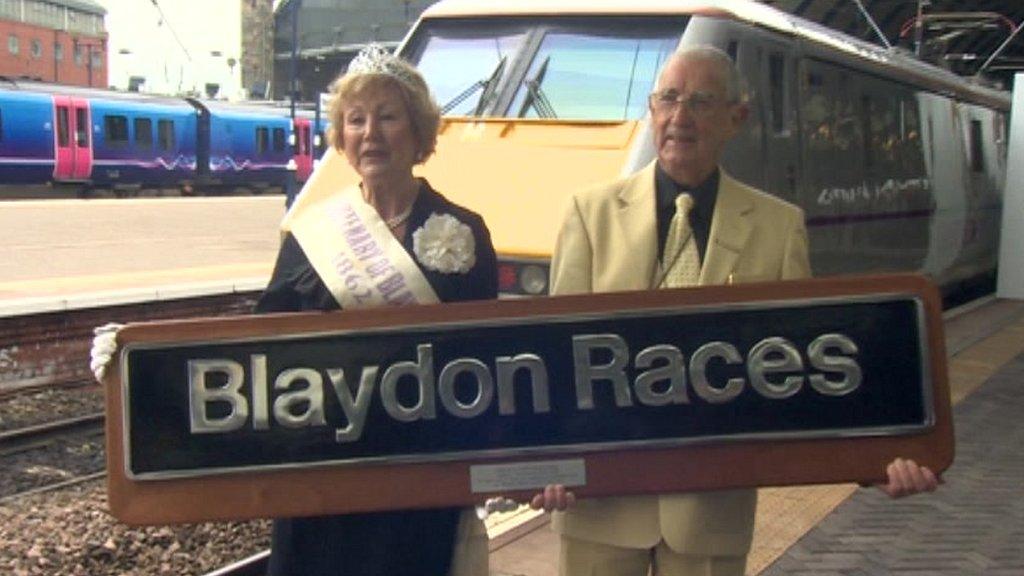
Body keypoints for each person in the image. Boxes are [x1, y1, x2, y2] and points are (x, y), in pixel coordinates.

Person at [531, 45, 939, 576]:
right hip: (601, 501)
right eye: (669, 100)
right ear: (651, 111)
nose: (681, 118)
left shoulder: (779, 225)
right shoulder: (589, 214)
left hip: (711, 510)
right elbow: (556, 358)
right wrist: (543, 461)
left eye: (701, 103)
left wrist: (871, 465)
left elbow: (806, 373)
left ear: (736, 119)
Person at [92, 44, 498, 576]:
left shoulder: (464, 231)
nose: (370, 133)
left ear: (418, 131)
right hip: (316, 478)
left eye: (388, 116)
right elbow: (256, 349)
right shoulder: (313, 236)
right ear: (342, 137)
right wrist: (142, 359)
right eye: (356, 120)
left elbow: (490, 360)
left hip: (414, 480)